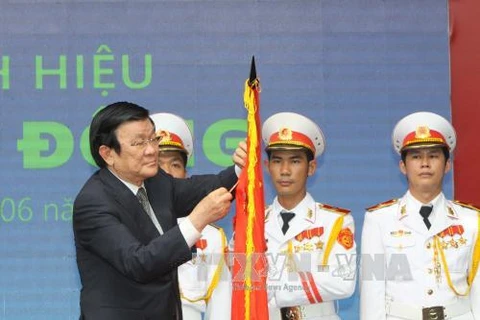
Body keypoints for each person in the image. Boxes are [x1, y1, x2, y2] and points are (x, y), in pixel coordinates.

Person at [73, 101, 245, 320]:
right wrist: (197, 220)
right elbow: (139, 262)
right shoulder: (93, 202)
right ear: (108, 154)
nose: (152, 150)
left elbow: (205, 188)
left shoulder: (155, 182)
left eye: (153, 139)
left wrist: (242, 167)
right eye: (138, 143)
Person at [360, 111, 480, 319]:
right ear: (403, 166)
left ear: (447, 165)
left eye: (433, 156)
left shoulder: (472, 221)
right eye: (416, 156)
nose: (425, 163)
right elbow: (372, 289)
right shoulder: (379, 220)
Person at [262, 112, 357, 320]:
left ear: (311, 167)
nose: (285, 171)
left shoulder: (335, 221)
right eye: (277, 161)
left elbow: (343, 282)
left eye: (295, 161)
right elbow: (241, 281)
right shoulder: (253, 224)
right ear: (267, 167)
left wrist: (277, 288)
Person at [150, 112, 231, 320]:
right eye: (158, 164)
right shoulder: (124, 224)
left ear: (186, 176)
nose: (167, 173)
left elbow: (220, 310)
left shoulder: (212, 238)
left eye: (175, 165)